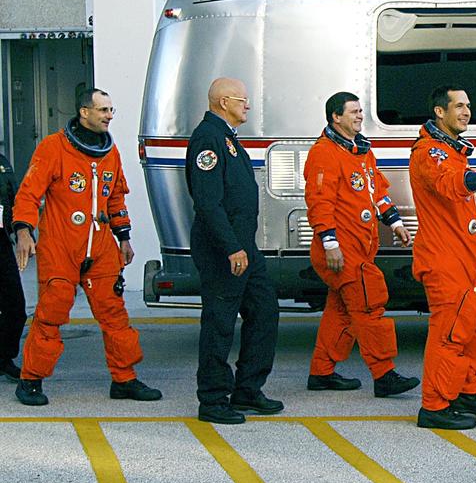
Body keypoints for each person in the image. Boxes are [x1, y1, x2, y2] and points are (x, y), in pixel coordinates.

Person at [11, 89, 161, 405]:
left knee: (114, 314)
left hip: (101, 248)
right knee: (51, 313)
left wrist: (124, 238)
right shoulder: (53, 147)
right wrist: (24, 231)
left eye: (111, 110)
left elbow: (115, 197)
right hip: (61, 246)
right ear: (84, 112)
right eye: (103, 110)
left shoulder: (110, 152)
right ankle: (30, 380)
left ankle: (124, 379)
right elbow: (28, 194)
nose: (109, 115)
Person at [409, 85, 476, 430]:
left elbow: (461, 205)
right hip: (444, 258)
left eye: (468, 105)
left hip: (468, 256)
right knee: (450, 333)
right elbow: (450, 184)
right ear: (440, 112)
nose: (467, 111)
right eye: (459, 106)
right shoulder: (430, 152)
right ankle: (435, 406)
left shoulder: (454, 151)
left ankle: (467, 391)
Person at [304, 92, 419, 398]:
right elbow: (319, 202)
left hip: (359, 247)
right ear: (336, 117)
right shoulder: (324, 153)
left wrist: (395, 222)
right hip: (341, 249)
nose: (360, 116)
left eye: (360, 111)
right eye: (353, 111)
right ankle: (384, 374)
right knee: (369, 304)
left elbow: (376, 191)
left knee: (341, 311)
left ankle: (321, 372)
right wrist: (330, 243)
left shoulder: (361, 151)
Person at [186, 78, 282, 424]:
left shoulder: (227, 137)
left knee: (265, 311)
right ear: (224, 102)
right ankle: (213, 399)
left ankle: (248, 389)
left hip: (244, 248)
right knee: (220, 323)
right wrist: (231, 248)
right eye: (243, 100)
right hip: (223, 250)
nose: (248, 106)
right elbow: (208, 202)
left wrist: (243, 247)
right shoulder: (208, 139)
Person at [0, 152, 26, 382]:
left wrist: (22, 232)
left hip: (1, 242)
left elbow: (16, 199)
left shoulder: (2, 163)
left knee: (15, 307)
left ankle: (4, 359)